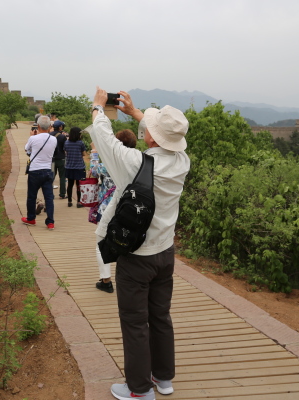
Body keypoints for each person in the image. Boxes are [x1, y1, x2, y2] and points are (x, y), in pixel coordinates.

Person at [90, 88, 190, 400]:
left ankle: (139, 389)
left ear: (152, 137)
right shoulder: (182, 160)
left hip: (137, 257)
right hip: (165, 254)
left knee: (135, 322)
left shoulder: (135, 163)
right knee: (160, 317)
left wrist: (98, 107)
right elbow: (160, 138)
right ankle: (163, 378)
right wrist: (136, 113)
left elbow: (105, 140)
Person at [89, 129, 137, 294]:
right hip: (130, 209)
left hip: (108, 209)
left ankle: (106, 280)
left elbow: (94, 171)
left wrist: (94, 152)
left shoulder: (111, 164)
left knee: (102, 242)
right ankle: (130, 279)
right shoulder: (138, 163)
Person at [22, 115, 58, 230]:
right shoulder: (54, 139)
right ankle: (50, 222)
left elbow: (27, 149)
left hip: (34, 171)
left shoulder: (33, 139)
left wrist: (32, 136)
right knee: (49, 197)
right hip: (47, 171)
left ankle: (31, 218)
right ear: (50, 127)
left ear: (38, 126)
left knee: (32, 196)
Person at [63, 126, 86, 208]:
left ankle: (69, 201)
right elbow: (84, 154)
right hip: (79, 167)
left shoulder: (66, 143)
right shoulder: (80, 143)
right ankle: (79, 202)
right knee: (78, 185)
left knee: (70, 184)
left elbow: (65, 151)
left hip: (69, 166)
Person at [50, 120, 67, 197]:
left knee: (51, 177)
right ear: (60, 127)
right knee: (62, 177)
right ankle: (62, 193)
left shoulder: (49, 135)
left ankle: (50, 194)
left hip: (52, 159)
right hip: (61, 159)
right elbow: (65, 148)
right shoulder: (62, 136)